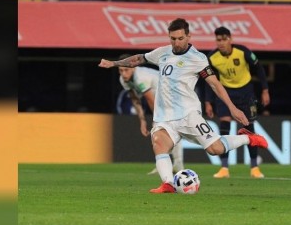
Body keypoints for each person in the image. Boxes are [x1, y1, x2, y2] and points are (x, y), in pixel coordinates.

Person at [99, 18, 269, 193]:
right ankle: (168, 184)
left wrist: (232, 108)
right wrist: (114, 63)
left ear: (188, 36)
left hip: (188, 115)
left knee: (215, 149)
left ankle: (248, 137)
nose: (176, 42)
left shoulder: (198, 59)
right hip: (165, 117)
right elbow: (139, 59)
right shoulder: (163, 53)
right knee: (159, 143)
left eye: (180, 38)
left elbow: (215, 84)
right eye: (173, 38)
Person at [204, 26, 270, 179]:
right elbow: (209, 81)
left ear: (230, 39)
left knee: (248, 128)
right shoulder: (212, 57)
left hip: (246, 92)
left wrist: (265, 90)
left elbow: (259, 69)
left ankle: (254, 167)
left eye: (224, 39)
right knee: (224, 126)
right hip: (226, 93)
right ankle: (224, 168)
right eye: (218, 40)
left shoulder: (243, 51)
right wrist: (208, 101)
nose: (221, 43)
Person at [117, 54, 184, 174]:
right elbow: (135, 99)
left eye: (126, 70)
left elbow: (149, 99)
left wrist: (158, 119)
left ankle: (177, 164)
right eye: (121, 70)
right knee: (163, 132)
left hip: (172, 94)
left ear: (133, 67)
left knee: (167, 130)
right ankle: (168, 165)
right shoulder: (123, 80)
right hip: (161, 99)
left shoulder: (140, 77)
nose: (123, 73)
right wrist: (142, 121)